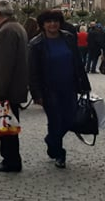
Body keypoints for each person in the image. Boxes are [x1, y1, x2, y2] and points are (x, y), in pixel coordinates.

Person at [28, 9, 90, 169]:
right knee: (55, 122)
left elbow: (78, 62)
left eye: (55, 21)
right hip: (49, 89)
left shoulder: (68, 38)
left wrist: (84, 85)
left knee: (70, 119)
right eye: (48, 21)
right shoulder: (36, 44)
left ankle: (51, 141)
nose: (52, 24)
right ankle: (59, 153)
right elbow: (33, 72)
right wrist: (37, 94)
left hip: (69, 87)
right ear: (43, 25)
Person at [0, 0, 29, 173]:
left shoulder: (8, 31)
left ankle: (10, 160)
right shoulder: (14, 28)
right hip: (12, 87)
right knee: (9, 126)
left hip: (7, 90)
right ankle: (9, 159)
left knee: (7, 127)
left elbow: (3, 64)